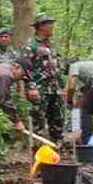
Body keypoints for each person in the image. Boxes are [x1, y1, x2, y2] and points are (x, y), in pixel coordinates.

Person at [25, 13, 65, 142]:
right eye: (50, 24)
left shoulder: (52, 45)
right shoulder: (31, 45)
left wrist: (62, 87)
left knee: (58, 120)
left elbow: (57, 67)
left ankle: (57, 149)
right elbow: (24, 67)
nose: (52, 26)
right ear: (41, 26)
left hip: (55, 89)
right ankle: (38, 151)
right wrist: (31, 87)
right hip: (39, 89)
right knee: (38, 122)